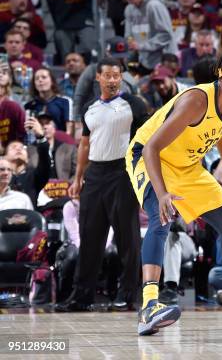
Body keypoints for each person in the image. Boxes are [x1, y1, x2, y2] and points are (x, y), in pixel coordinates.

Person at [125, 49, 222, 335]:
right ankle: (149, 305)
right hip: (150, 157)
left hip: (188, 166)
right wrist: (161, 193)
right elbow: (151, 147)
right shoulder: (196, 100)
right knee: (161, 218)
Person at [57, 57, 147, 313]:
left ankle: (127, 294)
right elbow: (84, 144)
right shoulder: (89, 108)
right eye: (107, 75)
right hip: (95, 174)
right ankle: (81, 296)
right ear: (98, 77)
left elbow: (148, 140)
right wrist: (77, 178)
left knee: (127, 238)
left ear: (121, 78)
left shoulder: (134, 104)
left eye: (116, 75)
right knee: (90, 237)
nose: (112, 79)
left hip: (123, 172)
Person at [123, 0, 177, 74]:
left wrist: (141, 46)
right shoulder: (129, 9)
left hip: (164, 61)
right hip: (144, 61)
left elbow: (166, 36)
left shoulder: (154, 6)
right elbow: (128, 35)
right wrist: (130, 42)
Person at [24, 67, 73, 134]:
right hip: (37, 142)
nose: (40, 80)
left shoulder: (65, 101)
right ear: (34, 84)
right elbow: (28, 131)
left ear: (52, 81)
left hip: (60, 142)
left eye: (44, 77)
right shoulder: (29, 105)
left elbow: (69, 131)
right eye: (37, 78)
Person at [0, 61, 25, 148]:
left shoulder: (16, 101)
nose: (0, 75)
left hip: (11, 149)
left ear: (9, 78)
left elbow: (22, 131)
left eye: (4, 72)